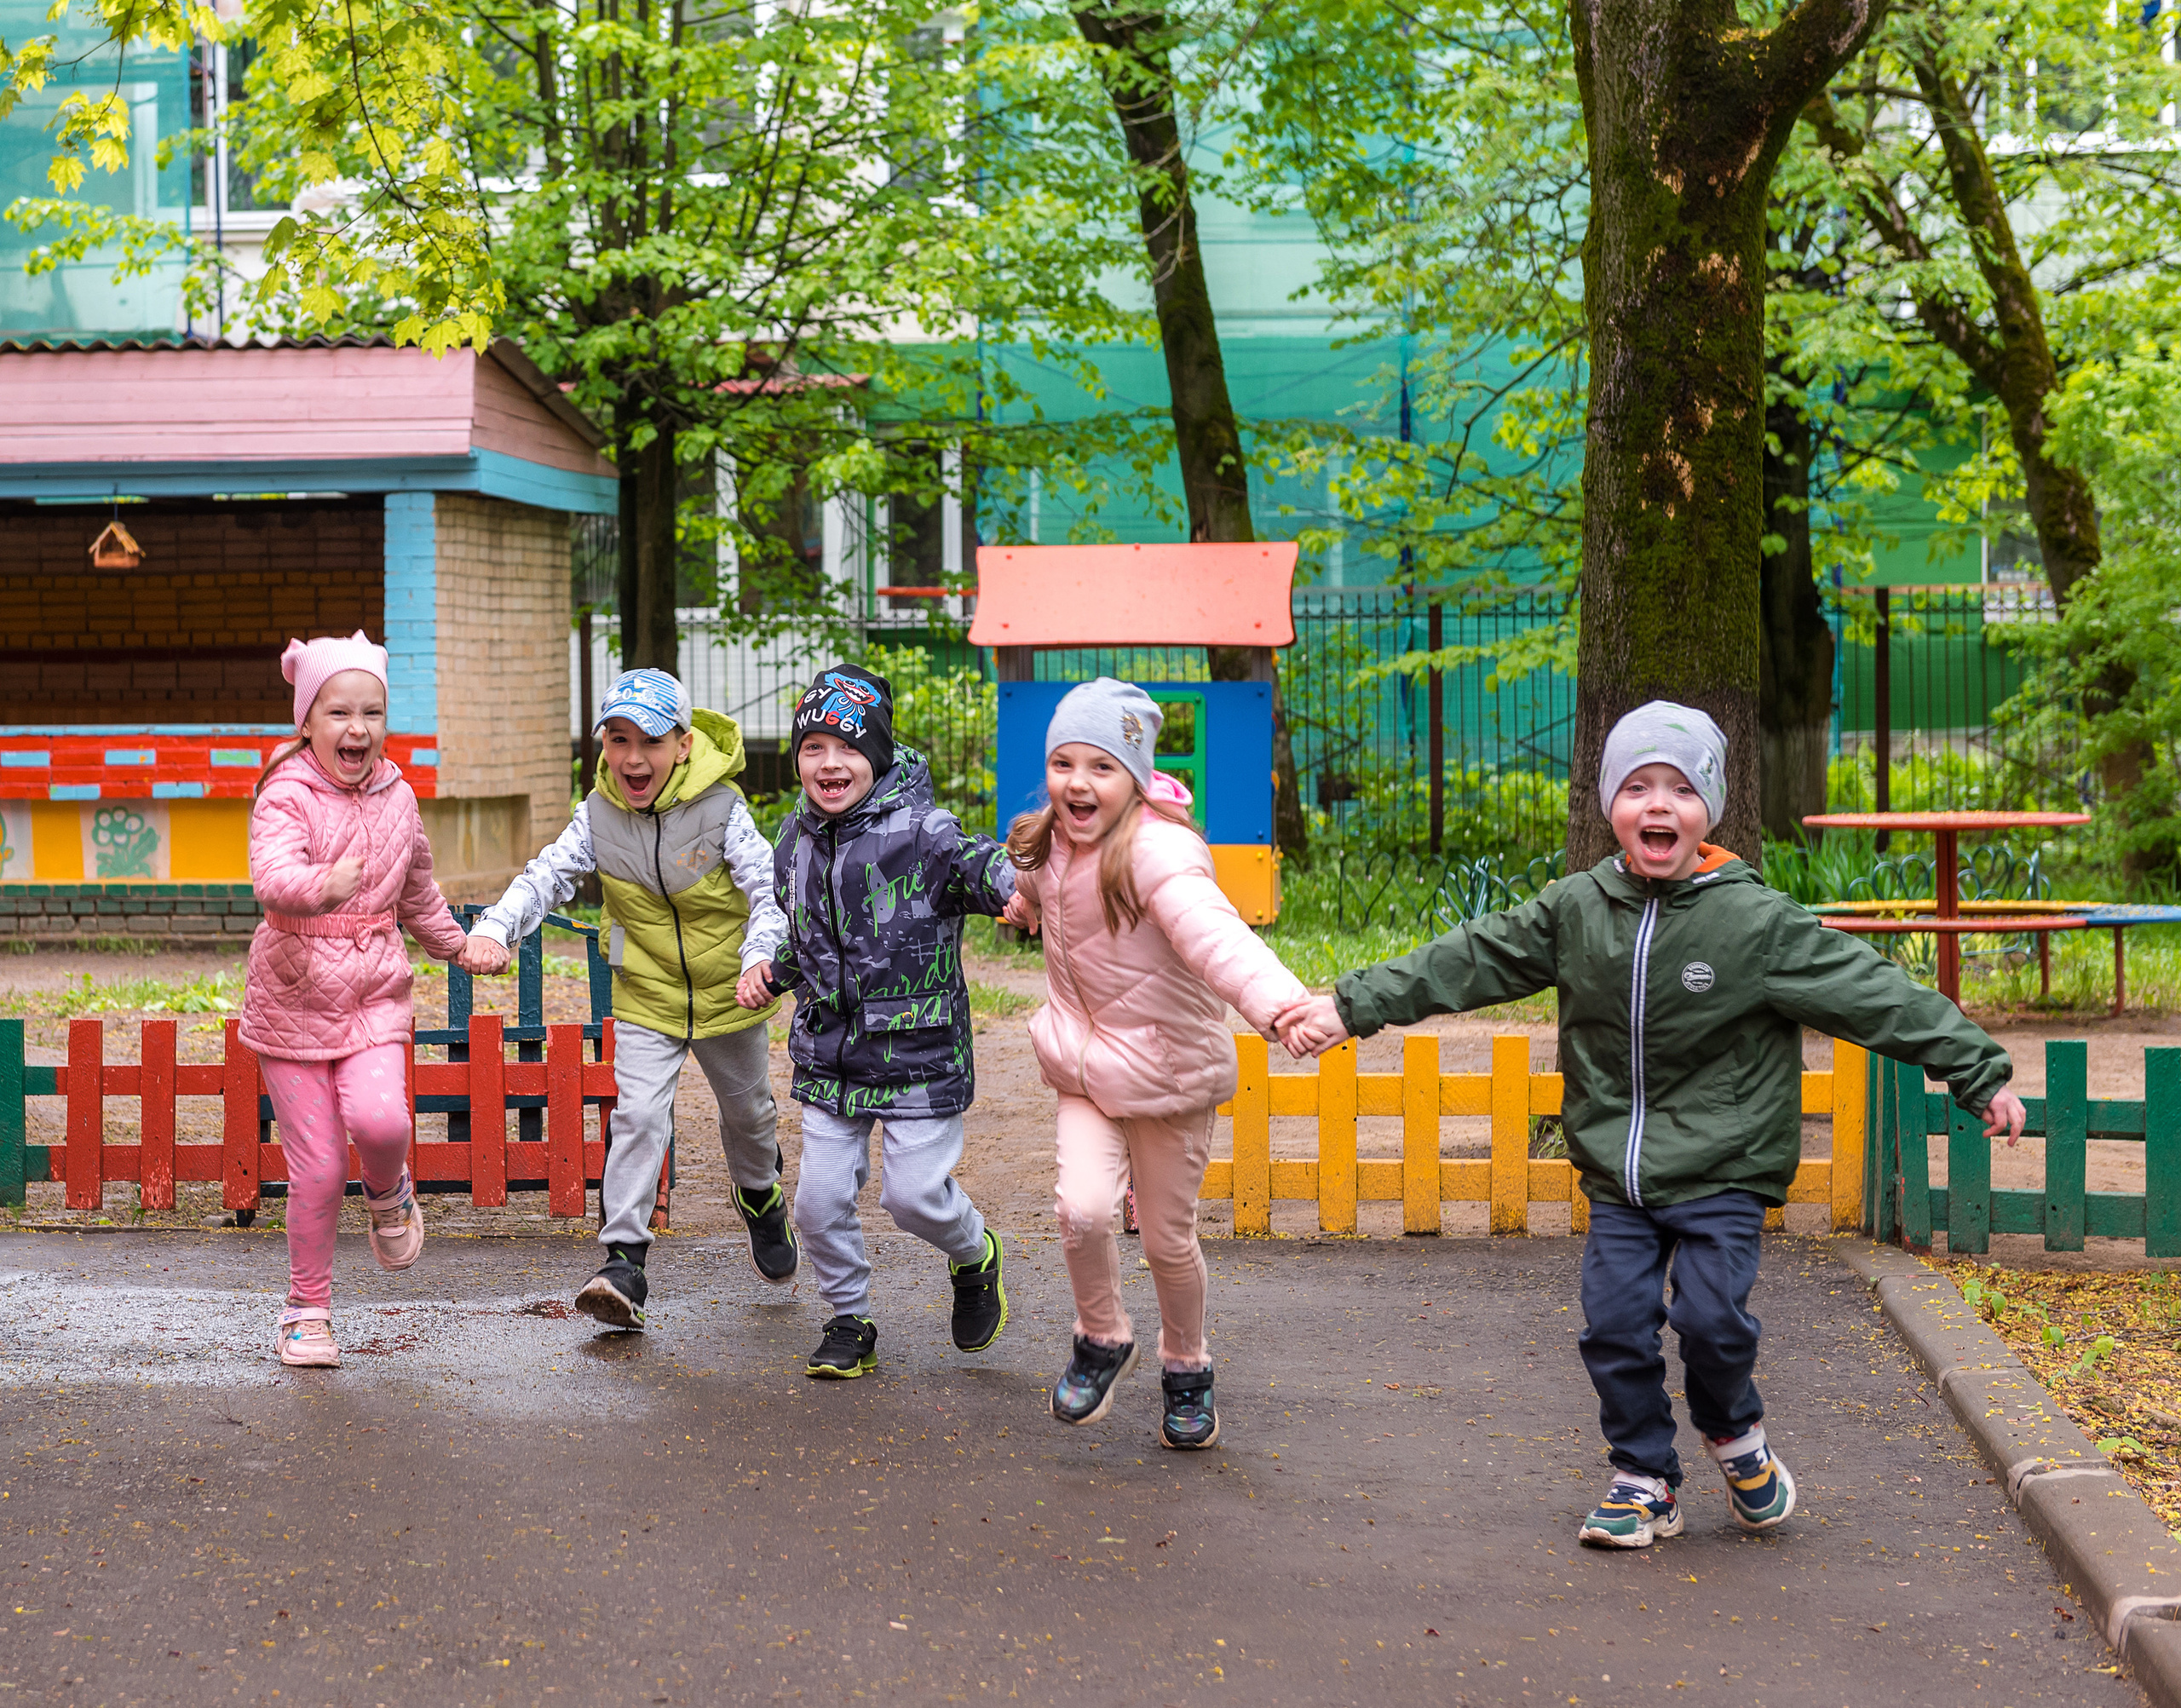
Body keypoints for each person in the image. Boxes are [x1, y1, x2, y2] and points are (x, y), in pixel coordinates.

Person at [1275, 701, 2028, 1548]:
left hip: (1724, 1168)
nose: (1657, 804)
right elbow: (1468, 958)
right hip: (1621, 1174)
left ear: (1708, 808)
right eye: (1636, 786)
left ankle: (1734, 1431)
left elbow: (1873, 993)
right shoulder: (1576, 910)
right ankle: (1642, 1479)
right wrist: (1348, 1006)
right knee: (1614, 1324)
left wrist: (1973, 1067)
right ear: (1610, 806)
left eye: (1678, 788)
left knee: (1710, 1321)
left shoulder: (1755, 923)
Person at [1002, 679, 1309, 1450]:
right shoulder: (1047, 843)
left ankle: (1187, 1366)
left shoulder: (1159, 854)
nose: (1078, 782)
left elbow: (1217, 938)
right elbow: (1040, 894)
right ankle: (1101, 1337)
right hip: (1084, 1065)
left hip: (1168, 1075)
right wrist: (1022, 906)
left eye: (1101, 766)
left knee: (1168, 1241)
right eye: (1064, 762)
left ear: (1135, 779)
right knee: (1082, 1210)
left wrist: (1279, 1004)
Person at [458, 669, 792, 1331]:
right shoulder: (598, 815)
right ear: (603, 744)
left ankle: (759, 1195)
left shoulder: (723, 809)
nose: (633, 758)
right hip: (647, 994)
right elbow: (547, 874)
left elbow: (767, 888)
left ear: (685, 744)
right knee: (638, 1117)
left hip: (730, 992)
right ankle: (623, 1262)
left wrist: (761, 954)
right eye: (617, 739)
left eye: (650, 741)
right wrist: (496, 926)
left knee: (749, 1116)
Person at [737, 664, 1016, 1379]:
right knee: (817, 1202)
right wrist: (774, 969)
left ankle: (973, 1253)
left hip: (918, 1052)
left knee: (914, 1196)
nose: (830, 763)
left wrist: (1016, 889)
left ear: (880, 754)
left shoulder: (924, 831)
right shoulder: (793, 842)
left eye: (849, 746)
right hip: (831, 1055)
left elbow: (978, 865)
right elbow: (804, 936)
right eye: (813, 747)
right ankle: (848, 1316)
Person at [244, 633, 470, 1368]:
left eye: (372, 712)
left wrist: (458, 945)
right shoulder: (284, 793)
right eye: (338, 711)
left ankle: (388, 1192)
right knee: (312, 1170)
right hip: (293, 992)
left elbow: (416, 889)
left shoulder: (399, 796)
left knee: (381, 1118)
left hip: (372, 985)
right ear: (307, 721)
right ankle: (306, 1311)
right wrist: (321, 887)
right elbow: (272, 876)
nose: (358, 728)